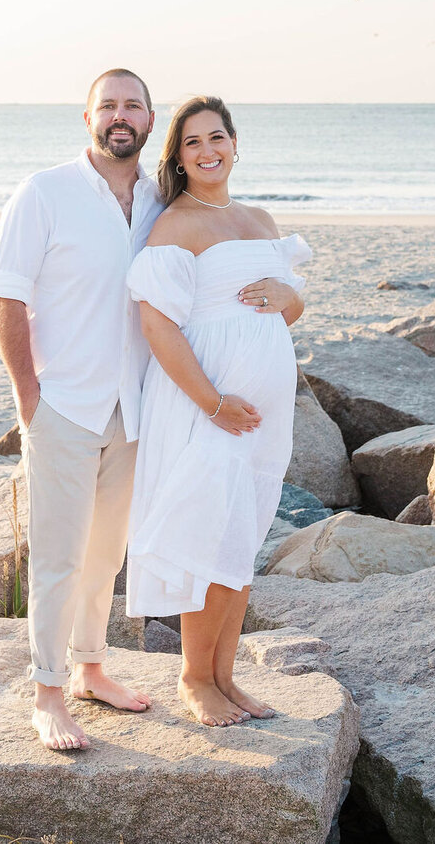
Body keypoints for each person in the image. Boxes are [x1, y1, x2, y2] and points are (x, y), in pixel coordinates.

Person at [0, 69, 162, 752]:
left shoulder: (160, 199)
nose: (120, 115)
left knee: (106, 554)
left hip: (132, 407)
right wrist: (28, 396)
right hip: (62, 404)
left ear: (150, 121)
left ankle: (90, 669)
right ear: (87, 118)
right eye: (107, 105)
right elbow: (6, 293)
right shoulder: (45, 192)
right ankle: (48, 694)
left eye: (132, 105)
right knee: (58, 557)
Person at [126, 94, 310, 728]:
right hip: (208, 408)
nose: (208, 151)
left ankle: (226, 676)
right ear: (178, 157)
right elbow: (158, 327)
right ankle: (194, 678)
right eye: (192, 142)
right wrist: (212, 403)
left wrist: (289, 295)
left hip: (263, 415)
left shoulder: (259, 219)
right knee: (210, 534)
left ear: (235, 144)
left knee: (243, 536)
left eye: (216, 137)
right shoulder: (175, 226)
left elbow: (283, 311)